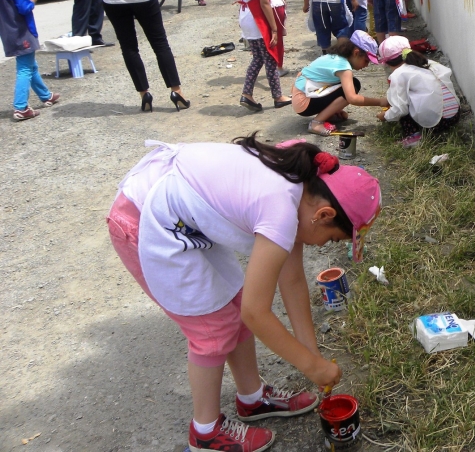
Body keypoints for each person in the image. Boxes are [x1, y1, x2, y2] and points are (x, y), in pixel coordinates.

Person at [107, 135, 381, 452]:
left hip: (180, 215)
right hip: (145, 220)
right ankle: (205, 432)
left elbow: (291, 283)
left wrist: (313, 356)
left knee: (234, 300)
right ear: (323, 215)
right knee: (212, 328)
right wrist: (310, 366)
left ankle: (252, 398)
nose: (324, 246)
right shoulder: (280, 209)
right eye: (332, 240)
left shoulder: (301, 189)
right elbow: (257, 313)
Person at [0, 0, 60, 121]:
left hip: (7, 32)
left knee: (30, 64)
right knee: (25, 67)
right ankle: (21, 107)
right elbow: (24, 8)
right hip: (22, 31)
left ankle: (45, 95)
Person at [291, 30, 388, 135]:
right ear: (356, 53)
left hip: (301, 96)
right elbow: (352, 98)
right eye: (366, 61)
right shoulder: (343, 67)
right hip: (304, 101)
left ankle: (329, 113)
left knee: (351, 84)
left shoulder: (338, 58)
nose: (366, 65)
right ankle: (316, 123)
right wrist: (380, 102)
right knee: (353, 86)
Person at [237, 0, 291, 112]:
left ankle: (247, 93)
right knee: (269, 58)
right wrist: (274, 30)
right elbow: (265, 2)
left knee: (258, 58)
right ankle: (278, 96)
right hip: (257, 19)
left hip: (246, 18)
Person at [376, 36, 460, 148]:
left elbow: (400, 109)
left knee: (401, 102)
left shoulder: (399, 74)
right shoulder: (426, 62)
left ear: (387, 62)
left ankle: (413, 136)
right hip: (455, 115)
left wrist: (385, 116)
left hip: (439, 122)